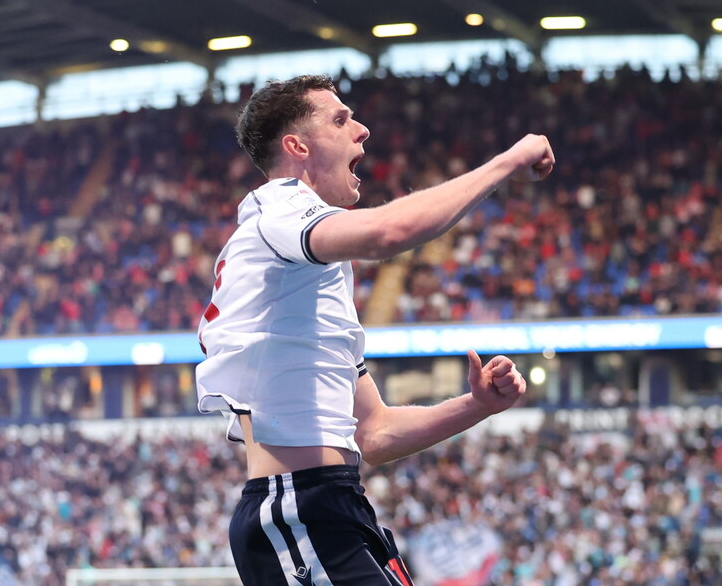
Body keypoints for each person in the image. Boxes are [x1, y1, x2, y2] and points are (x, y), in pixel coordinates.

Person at [195, 74, 555, 585]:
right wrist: (507, 162)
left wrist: (479, 405)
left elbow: (376, 432)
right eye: (341, 120)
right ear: (296, 147)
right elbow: (392, 231)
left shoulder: (311, 273)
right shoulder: (281, 207)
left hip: (333, 505)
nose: (362, 130)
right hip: (301, 512)